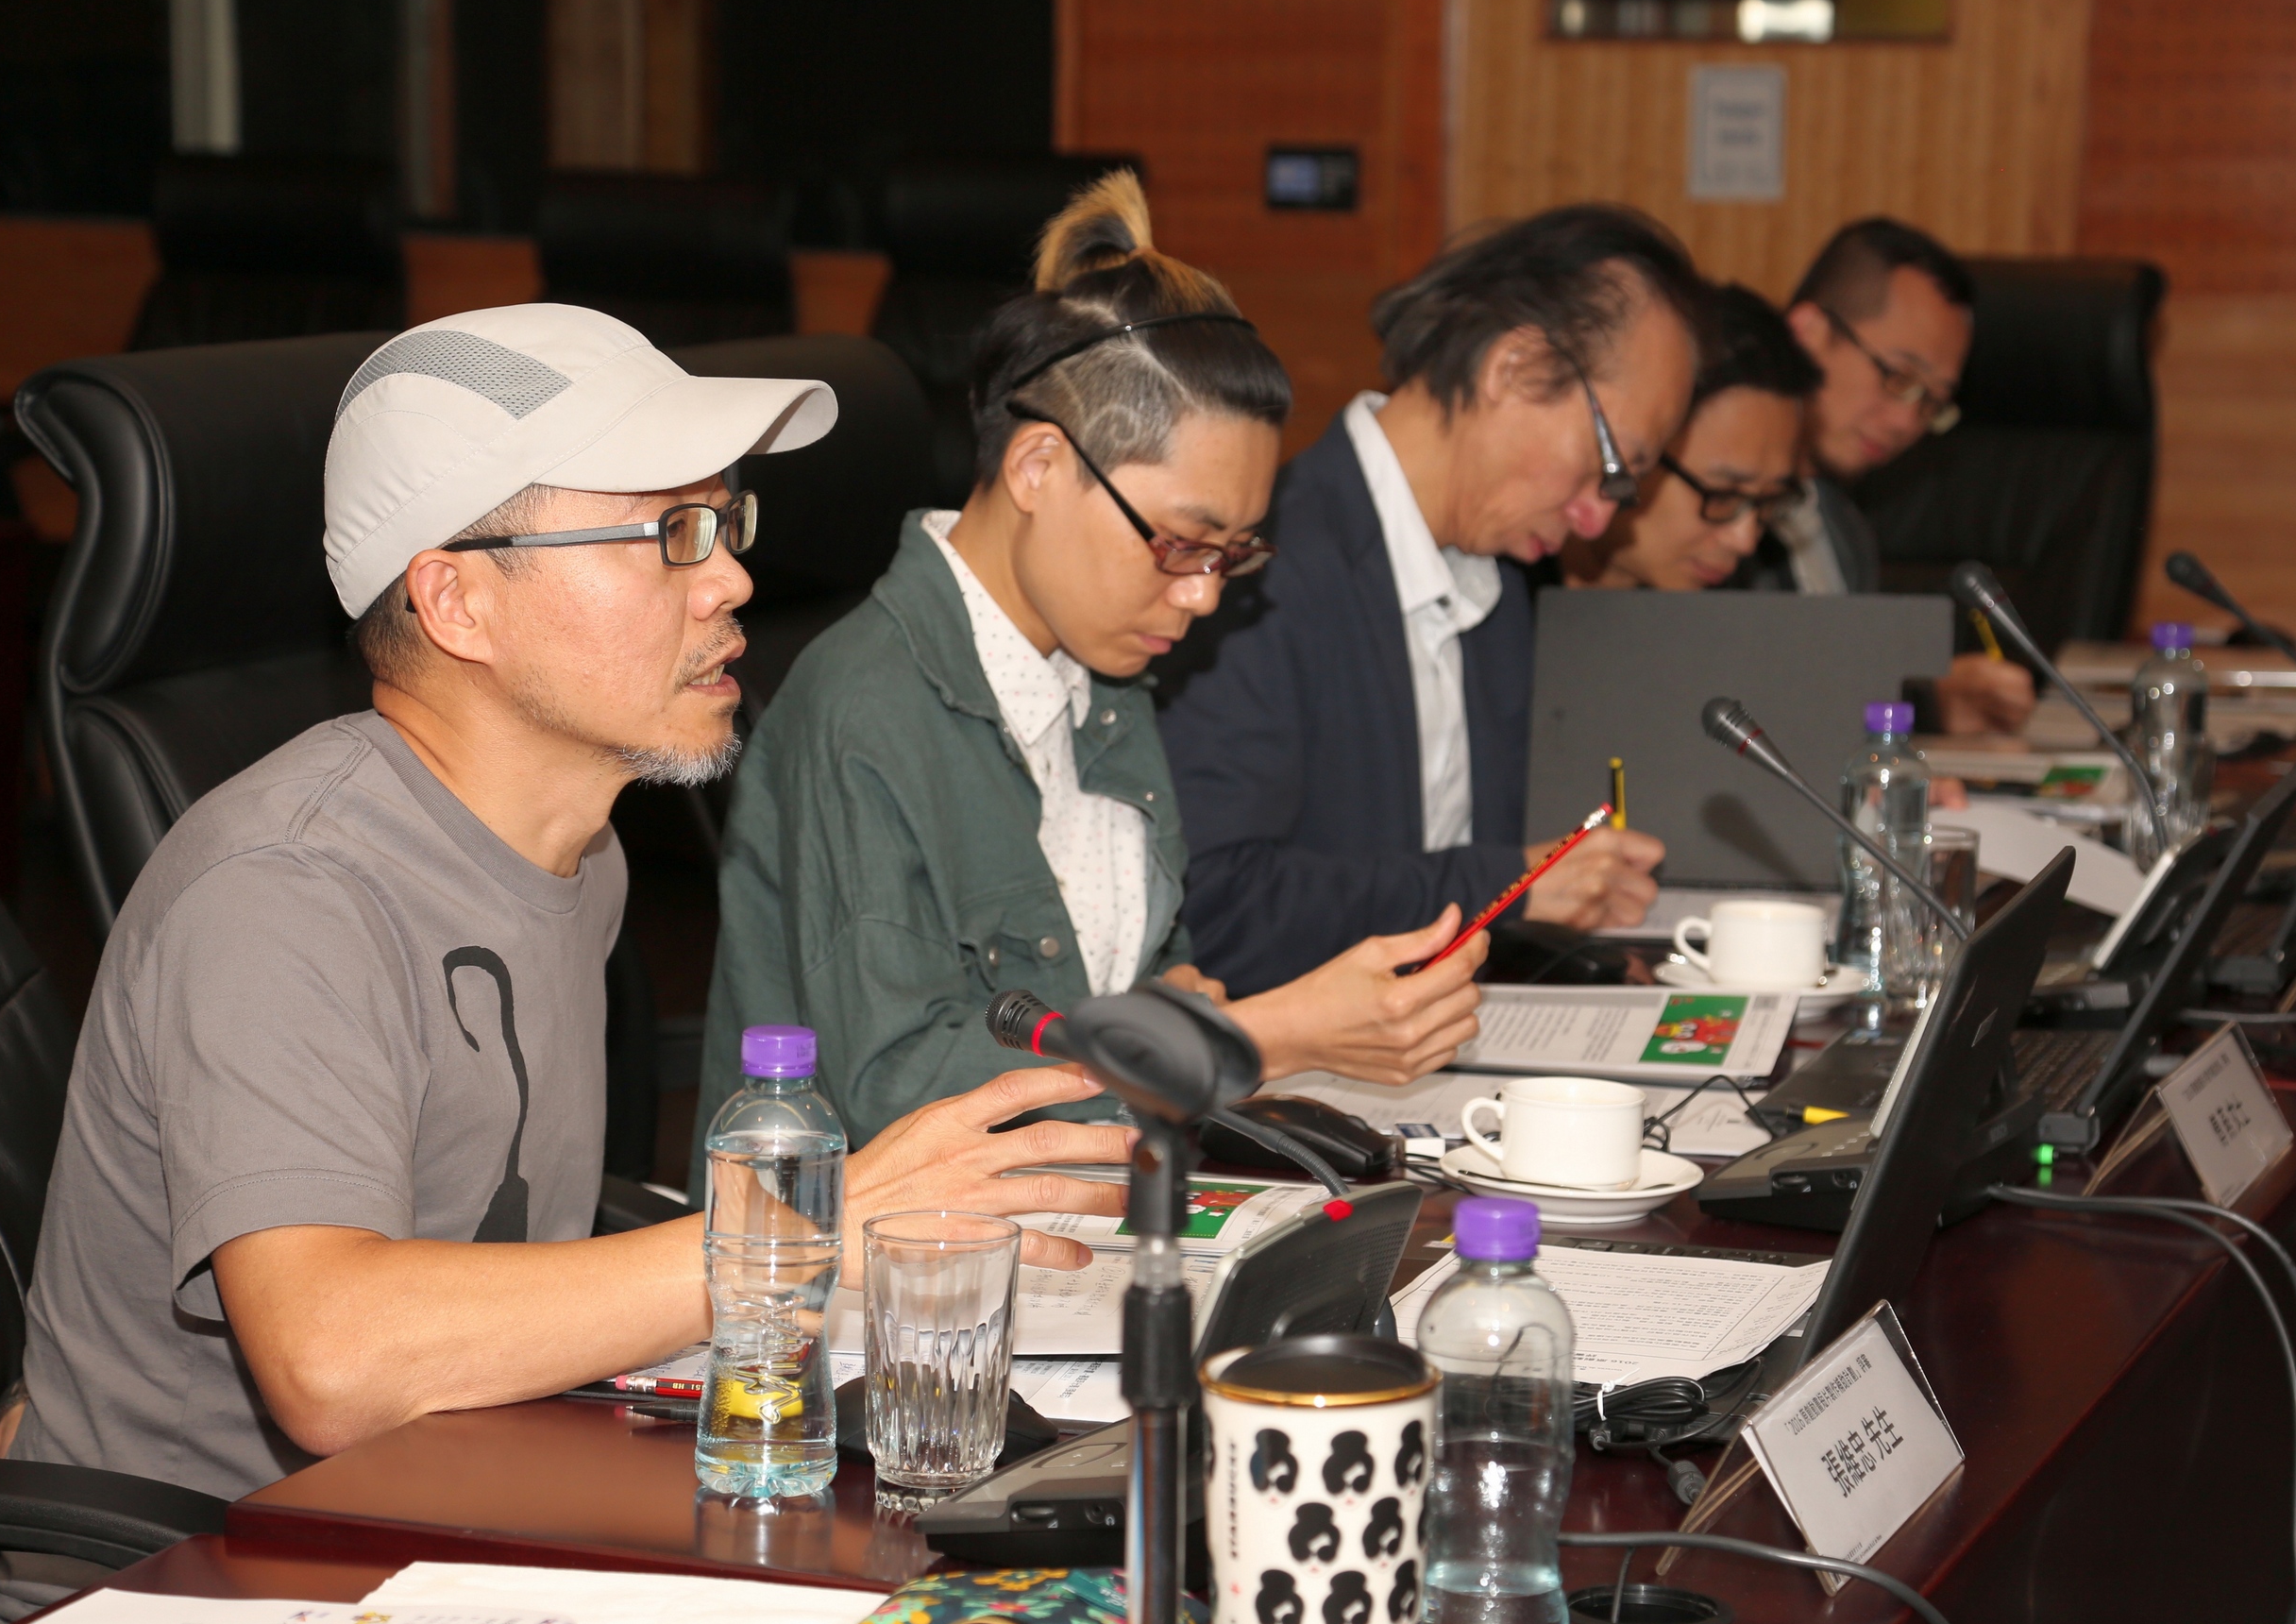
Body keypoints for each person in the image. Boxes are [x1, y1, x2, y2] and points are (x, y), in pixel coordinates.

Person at [0, 306, 1133, 1528]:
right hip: (206, 1576)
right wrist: (800, 1229)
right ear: (457, 602)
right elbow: (331, 1359)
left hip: (451, 1501)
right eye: (670, 534)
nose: (732, 579)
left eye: (727, 522)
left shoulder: (579, 849)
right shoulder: (284, 890)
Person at [700, 173, 1487, 1150]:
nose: (1202, 596)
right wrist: (1255, 1038)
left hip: (1088, 1194)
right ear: (1037, 468)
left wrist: (1174, 1007)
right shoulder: (862, 711)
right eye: (1180, 543)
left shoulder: (1105, 681)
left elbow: (1143, 972)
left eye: (1232, 553)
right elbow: (893, 1092)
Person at [1156, 206, 1709, 995]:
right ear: (1514, 368)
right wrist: (1505, 884)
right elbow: (1215, 912)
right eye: (1611, 467)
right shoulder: (1260, 573)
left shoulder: (1498, 583)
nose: (1598, 518)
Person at [1742, 218, 2035, 736]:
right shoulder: (1717, 523)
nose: (1906, 423)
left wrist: (1927, 702)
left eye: (1932, 403)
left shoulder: (1845, 531)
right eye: (1899, 378)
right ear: (1808, 334)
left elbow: (1820, 698)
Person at [1554, 281, 1816, 593]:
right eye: (1722, 496)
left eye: (1769, 502)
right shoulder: (1505, 590)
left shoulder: (1746, 600)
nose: (1745, 541)